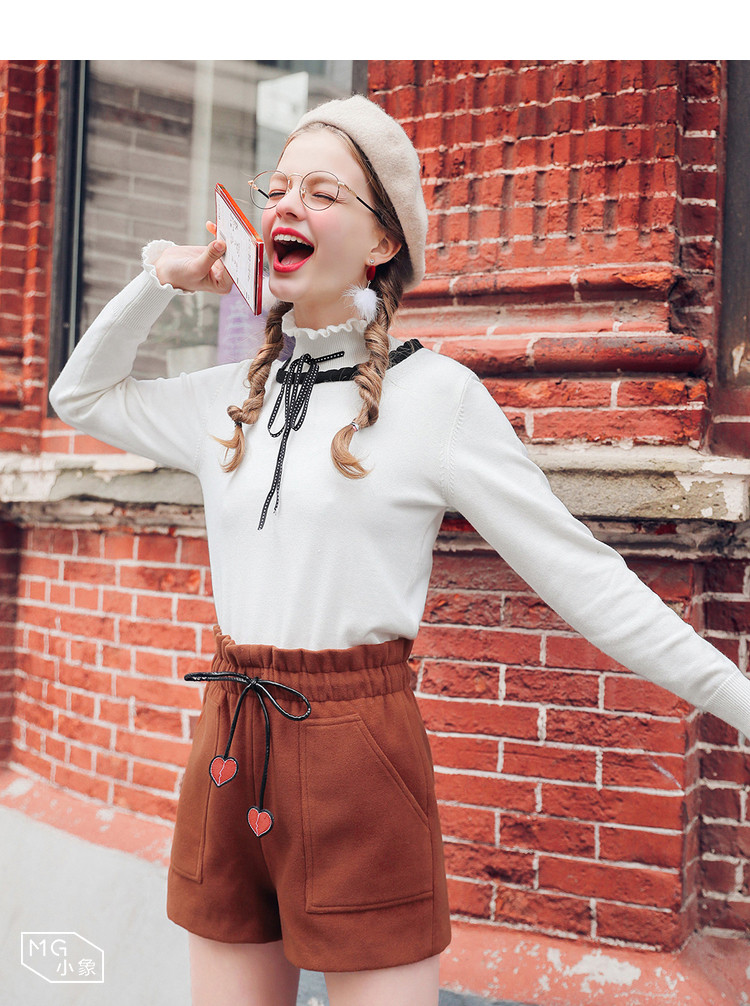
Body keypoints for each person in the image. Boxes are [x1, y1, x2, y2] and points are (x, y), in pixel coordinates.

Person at [49, 95, 750, 1006]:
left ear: (382, 241)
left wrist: (740, 701)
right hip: (228, 740)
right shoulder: (226, 397)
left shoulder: (438, 400)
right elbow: (80, 397)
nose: (287, 205)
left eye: (323, 192)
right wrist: (161, 276)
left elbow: (586, 579)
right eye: (278, 188)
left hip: (359, 755)